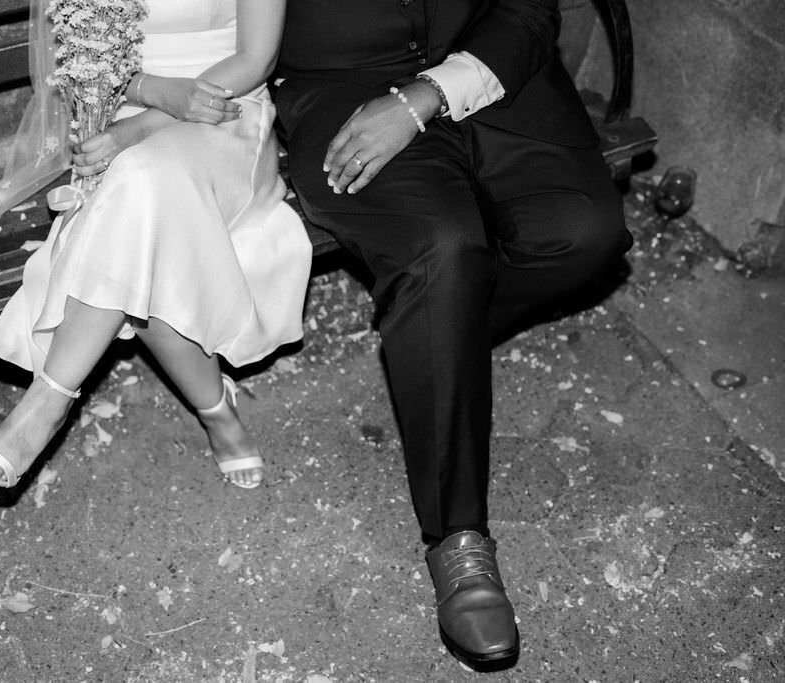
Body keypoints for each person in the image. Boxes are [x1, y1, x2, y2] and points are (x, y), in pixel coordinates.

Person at [269, 0, 632, 672]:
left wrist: (428, 95)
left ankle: (437, 338)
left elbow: (528, 6)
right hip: (341, 87)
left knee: (587, 231)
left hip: (486, 67)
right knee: (443, 249)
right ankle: (459, 541)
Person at [0, 0, 312, 490]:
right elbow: (71, 51)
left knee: (137, 179)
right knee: (145, 219)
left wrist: (140, 128)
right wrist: (149, 93)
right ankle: (217, 409)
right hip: (117, 109)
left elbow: (256, 59)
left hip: (229, 115)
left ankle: (48, 401)